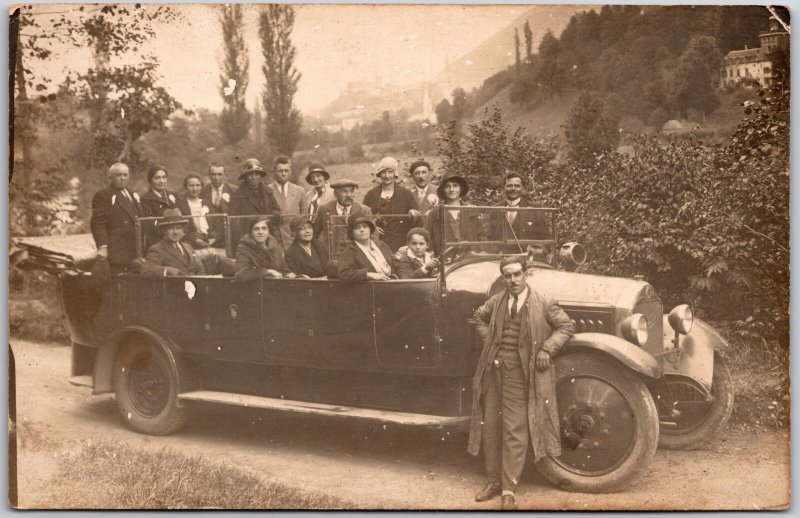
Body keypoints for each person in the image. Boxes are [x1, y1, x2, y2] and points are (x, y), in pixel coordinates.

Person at [467, 257, 574, 510]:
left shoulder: (543, 302)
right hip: (494, 372)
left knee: (514, 429)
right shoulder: (497, 301)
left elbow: (566, 326)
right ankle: (493, 481)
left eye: (517, 274)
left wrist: (547, 349)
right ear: (503, 278)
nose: (513, 280)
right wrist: (490, 341)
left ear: (526, 274)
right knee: (491, 426)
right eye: (507, 276)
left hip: (520, 375)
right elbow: (477, 318)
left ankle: (509, 488)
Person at [90, 162, 144, 275]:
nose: (122, 178)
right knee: (120, 284)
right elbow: (98, 223)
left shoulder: (132, 193)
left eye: (125, 175)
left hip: (135, 248)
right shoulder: (104, 195)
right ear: (111, 177)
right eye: (118, 175)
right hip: (118, 251)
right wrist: (102, 246)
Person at [362, 156, 421, 252]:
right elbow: (363, 217)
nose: (387, 175)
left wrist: (413, 212)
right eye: (383, 172)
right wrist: (373, 228)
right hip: (377, 241)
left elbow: (416, 215)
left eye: (390, 172)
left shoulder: (405, 194)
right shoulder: (371, 194)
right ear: (379, 174)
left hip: (401, 242)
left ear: (395, 174)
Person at [489, 172, 550, 253]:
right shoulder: (495, 209)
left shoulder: (535, 208)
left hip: (526, 259)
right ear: (504, 187)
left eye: (517, 186)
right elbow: (490, 237)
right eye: (509, 186)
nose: (513, 189)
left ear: (522, 188)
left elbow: (545, 237)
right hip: (500, 259)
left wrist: (540, 249)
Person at [424, 173, 482, 258]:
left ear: (461, 189)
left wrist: (477, 253)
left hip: (469, 261)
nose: (451, 189)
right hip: (445, 263)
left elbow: (481, 236)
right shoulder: (435, 213)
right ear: (443, 190)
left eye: (455, 186)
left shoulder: (471, 211)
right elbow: (426, 238)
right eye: (447, 186)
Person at [141, 209, 206, 277]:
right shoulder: (157, 249)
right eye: (171, 228)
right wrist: (167, 270)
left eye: (178, 228)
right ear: (164, 230)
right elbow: (146, 270)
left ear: (182, 230)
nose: (175, 232)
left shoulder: (188, 247)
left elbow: (200, 270)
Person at [229, 158, 281, 243]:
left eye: (256, 174)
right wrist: (245, 239)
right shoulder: (237, 195)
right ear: (245, 176)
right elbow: (233, 222)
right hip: (247, 240)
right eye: (250, 174)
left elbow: (276, 213)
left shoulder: (268, 192)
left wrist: (275, 215)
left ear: (260, 176)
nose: (254, 178)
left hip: (266, 238)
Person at [234, 215, 293, 282]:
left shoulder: (275, 247)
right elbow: (241, 275)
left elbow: (285, 269)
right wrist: (267, 271)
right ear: (251, 232)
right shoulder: (244, 249)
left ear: (268, 231)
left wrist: (288, 274)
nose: (260, 232)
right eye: (256, 229)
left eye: (264, 228)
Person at [313, 178, 372, 244]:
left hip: (357, 253)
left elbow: (373, 236)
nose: (349, 195)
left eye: (351, 191)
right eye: (344, 191)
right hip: (332, 252)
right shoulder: (324, 209)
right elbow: (314, 234)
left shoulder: (364, 210)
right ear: (335, 194)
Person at [336, 216, 395, 282]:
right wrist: (368, 274)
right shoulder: (349, 252)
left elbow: (396, 263)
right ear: (351, 233)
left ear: (370, 229)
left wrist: (403, 278)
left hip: (393, 283)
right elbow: (344, 273)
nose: (362, 230)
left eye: (365, 226)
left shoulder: (381, 245)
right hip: (373, 288)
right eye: (357, 228)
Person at [267, 155, 305, 251]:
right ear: (274, 172)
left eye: (286, 171)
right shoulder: (266, 190)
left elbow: (304, 218)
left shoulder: (299, 191)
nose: (283, 174)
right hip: (275, 243)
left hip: (295, 242)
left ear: (290, 171)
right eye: (280, 171)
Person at [140, 165, 179, 247]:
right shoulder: (145, 199)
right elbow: (150, 224)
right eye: (157, 178)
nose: (161, 181)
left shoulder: (173, 195)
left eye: (164, 177)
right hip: (158, 241)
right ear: (150, 180)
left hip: (177, 237)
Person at [177, 173, 219, 249]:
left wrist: (214, 238)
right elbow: (181, 229)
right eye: (191, 185)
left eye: (198, 185)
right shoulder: (180, 205)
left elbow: (215, 224)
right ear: (185, 187)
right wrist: (195, 240)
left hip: (208, 242)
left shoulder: (206, 202)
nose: (195, 189)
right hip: (189, 244)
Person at [200, 163, 237, 248]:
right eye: (213, 174)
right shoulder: (202, 191)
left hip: (229, 236)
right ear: (209, 175)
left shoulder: (234, 191)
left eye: (220, 174)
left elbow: (236, 217)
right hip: (209, 237)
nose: (216, 178)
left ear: (225, 175)